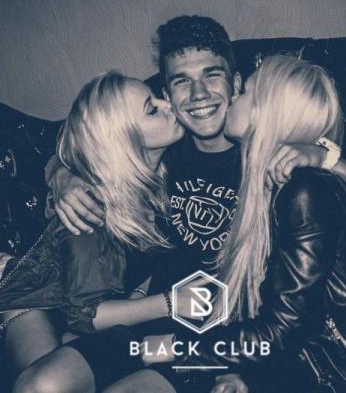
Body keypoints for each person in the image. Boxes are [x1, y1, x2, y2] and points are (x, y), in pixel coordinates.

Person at [15, 16, 346, 393]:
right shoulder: (166, 146)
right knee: (40, 384)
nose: (198, 94)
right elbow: (93, 137)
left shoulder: (278, 160)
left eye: (212, 75)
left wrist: (328, 159)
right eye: (182, 81)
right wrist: (63, 175)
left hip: (217, 340)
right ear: (168, 95)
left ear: (236, 85)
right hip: (156, 324)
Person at [140, 55, 346, 393]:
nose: (233, 99)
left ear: (267, 110)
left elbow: (282, 331)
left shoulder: (305, 190)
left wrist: (167, 347)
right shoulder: (266, 185)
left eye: (245, 91)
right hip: (302, 367)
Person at [0, 70, 207, 379]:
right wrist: (169, 303)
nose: (169, 105)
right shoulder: (91, 211)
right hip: (36, 301)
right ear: (123, 140)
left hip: (89, 301)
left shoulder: (162, 175)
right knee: (47, 383)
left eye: (159, 98)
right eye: (152, 109)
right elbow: (85, 315)